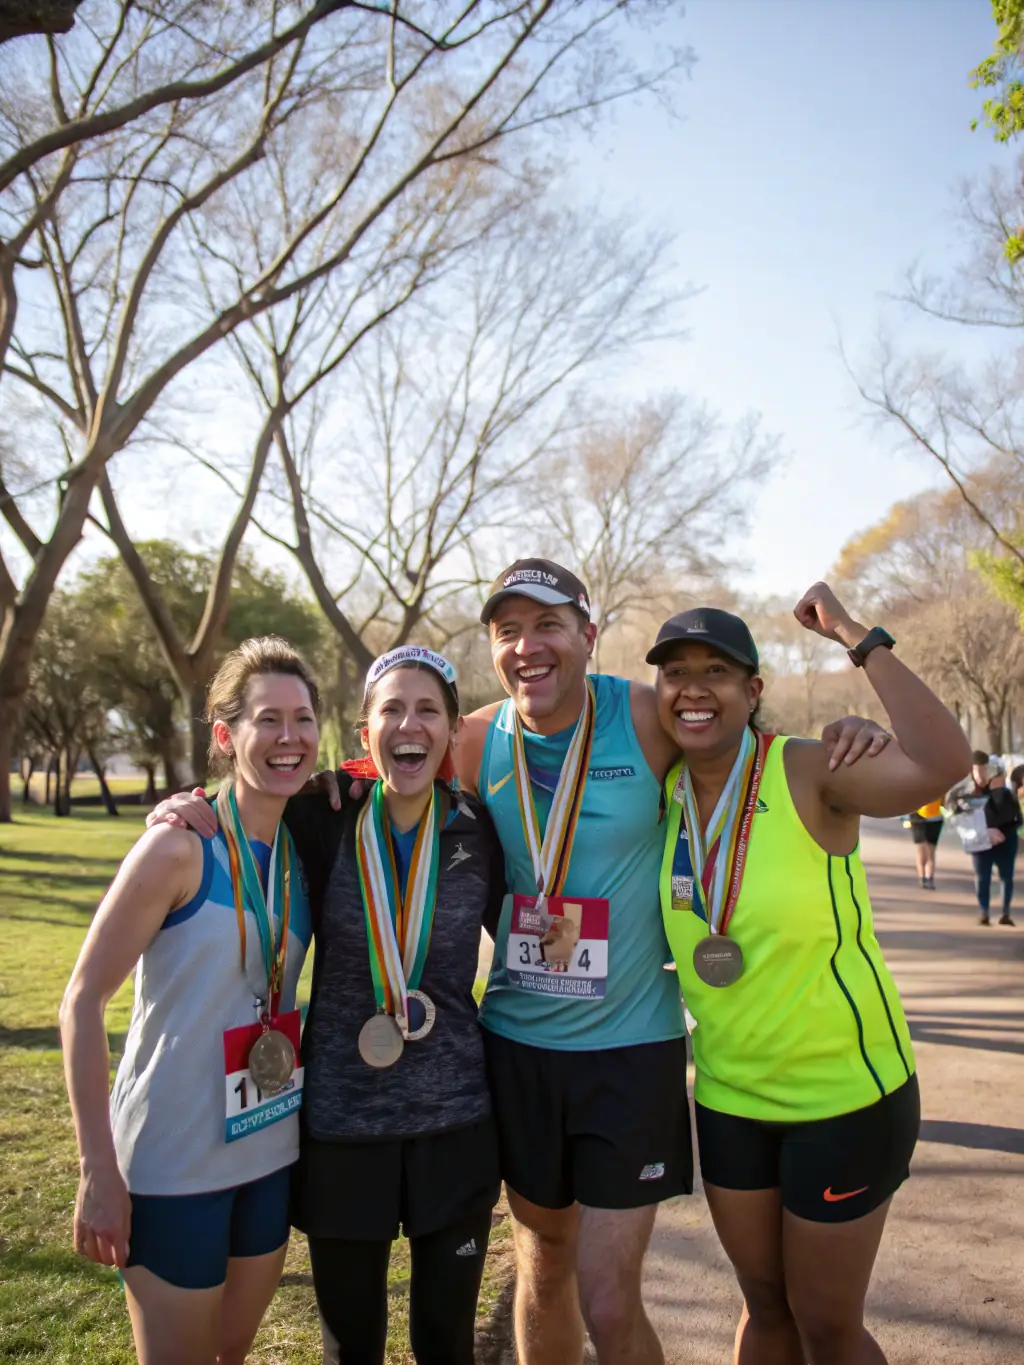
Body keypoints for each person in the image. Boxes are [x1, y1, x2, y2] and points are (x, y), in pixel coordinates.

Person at [153, 560, 889, 1365]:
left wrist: (853, 726)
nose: (528, 646)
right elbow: (384, 759)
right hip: (517, 1049)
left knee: (610, 1303)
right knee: (543, 1272)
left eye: (548, 625)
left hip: (629, 1050)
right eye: (509, 631)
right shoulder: (471, 738)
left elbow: (731, 731)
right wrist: (197, 799)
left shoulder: (646, 715)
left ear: (587, 634)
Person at [149, 645, 506, 1365]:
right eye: (392, 709)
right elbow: (245, 800)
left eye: (428, 709)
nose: (410, 724)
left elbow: (527, 935)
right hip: (343, 1129)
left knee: (447, 1341)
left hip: (455, 1124)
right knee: (352, 1346)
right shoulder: (322, 815)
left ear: (452, 728)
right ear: (364, 728)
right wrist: (184, 801)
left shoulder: (477, 828)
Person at [649, 585, 971, 1365]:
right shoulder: (657, 794)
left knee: (826, 1324)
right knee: (765, 1307)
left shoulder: (809, 768)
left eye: (717, 670)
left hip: (846, 1098)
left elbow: (942, 763)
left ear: (752, 691)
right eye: (675, 671)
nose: (694, 687)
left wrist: (854, 636)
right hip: (729, 1095)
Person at [61, 638, 320, 1365]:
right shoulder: (177, 848)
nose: (288, 737)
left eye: (302, 719)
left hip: (268, 1153)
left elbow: (429, 737)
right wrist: (96, 1167)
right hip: (172, 1169)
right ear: (224, 734)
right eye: (267, 718)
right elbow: (81, 1001)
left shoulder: (306, 844)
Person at [950, 751, 1021, 927]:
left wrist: (1004, 831)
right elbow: (958, 818)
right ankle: (984, 912)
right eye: (976, 770)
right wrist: (984, 831)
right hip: (981, 842)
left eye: (984, 770)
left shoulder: (1002, 792)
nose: (981, 775)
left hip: (1005, 839)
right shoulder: (964, 792)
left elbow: (1015, 817)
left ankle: (1005, 912)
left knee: (1006, 876)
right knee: (983, 877)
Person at [907, 800, 943, 889]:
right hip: (917, 814)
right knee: (921, 848)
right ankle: (922, 877)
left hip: (935, 814)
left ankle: (929, 878)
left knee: (931, 849)